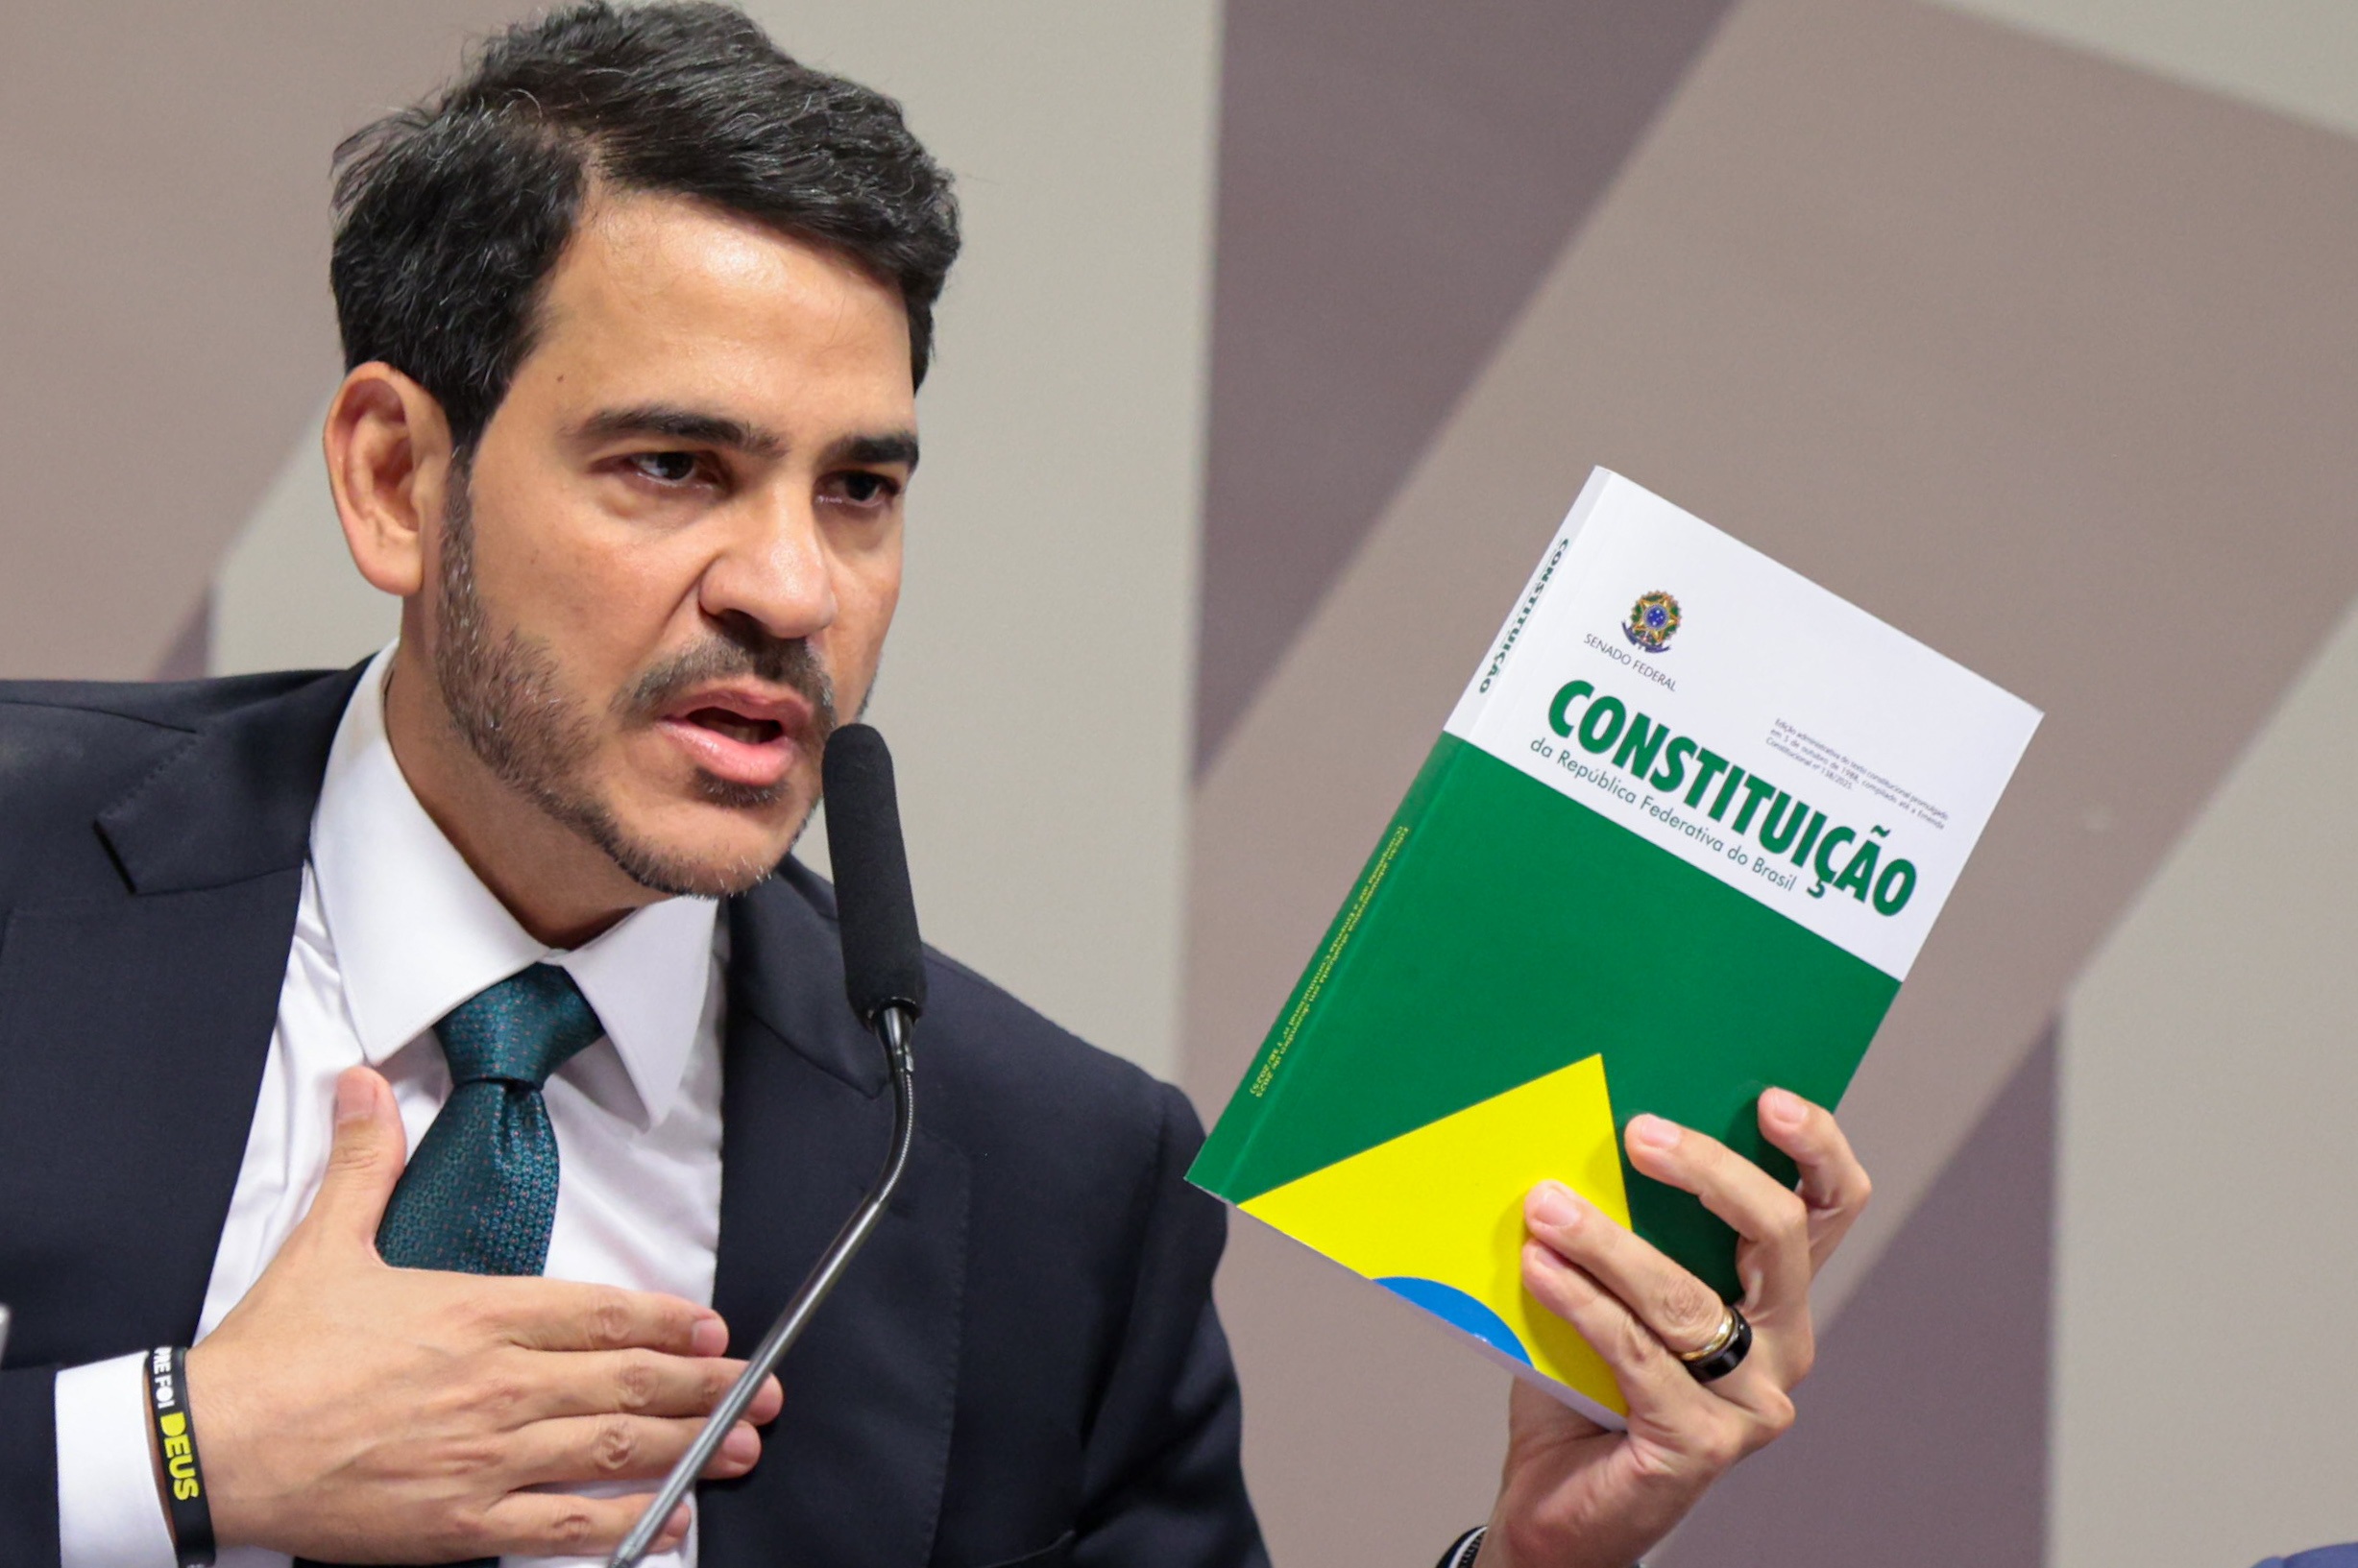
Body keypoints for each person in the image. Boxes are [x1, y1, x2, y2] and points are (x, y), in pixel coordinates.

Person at [0, 6, 1874, 1566]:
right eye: (672, 467)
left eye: (858, 490)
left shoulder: (1050, 1180)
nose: (790, 588)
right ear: (397, 479)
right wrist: (177, 1451)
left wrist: (1542, 1563)